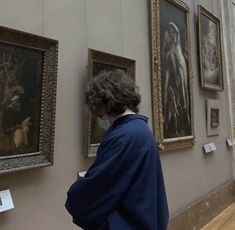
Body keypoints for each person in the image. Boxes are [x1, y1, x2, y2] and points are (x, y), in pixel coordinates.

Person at [65, 70, 169, 230]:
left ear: (105, 102)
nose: (100, 117)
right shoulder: (139, 128)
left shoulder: (125, 135)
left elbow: (98, 186)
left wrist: (75, 194)